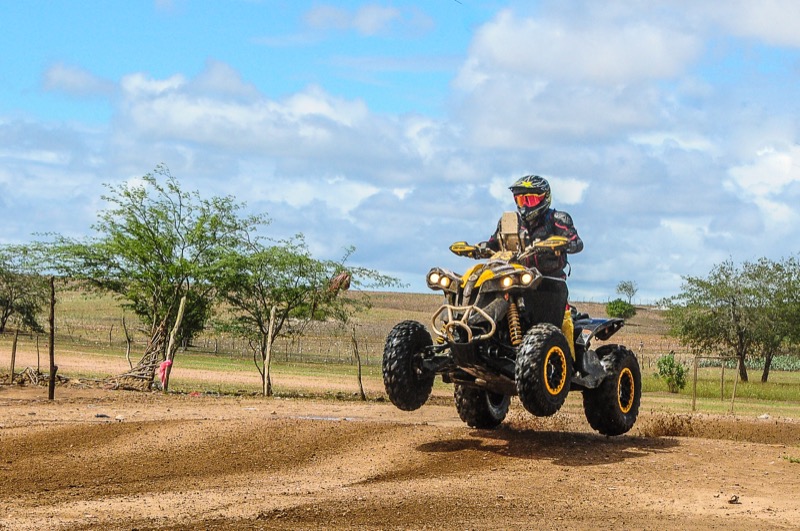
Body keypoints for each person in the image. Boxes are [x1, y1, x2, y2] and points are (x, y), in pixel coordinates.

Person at [481, 175, 583, 278]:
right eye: (521, 200)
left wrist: (560, 244)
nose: (525, 206)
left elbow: (576, 242)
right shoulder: (509, 222)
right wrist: (481, 248)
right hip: (516, 277)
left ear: (544, 197)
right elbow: (493, 243)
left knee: (552, 290)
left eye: (530, 200)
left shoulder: (557, 219)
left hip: (550, 279)